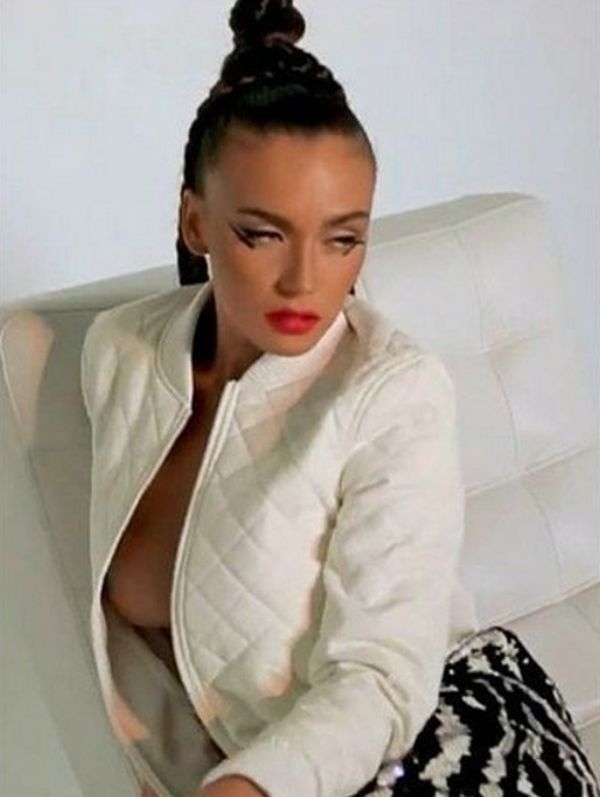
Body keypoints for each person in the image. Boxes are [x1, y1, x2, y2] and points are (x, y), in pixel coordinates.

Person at [81, 2, 600, 796]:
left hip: (441, 727)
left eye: (343, 238)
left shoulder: (394, 391)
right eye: (262, 234)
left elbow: (381, 679)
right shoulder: (119, 355)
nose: (305, 280)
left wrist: (245, 787)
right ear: (195, 221)